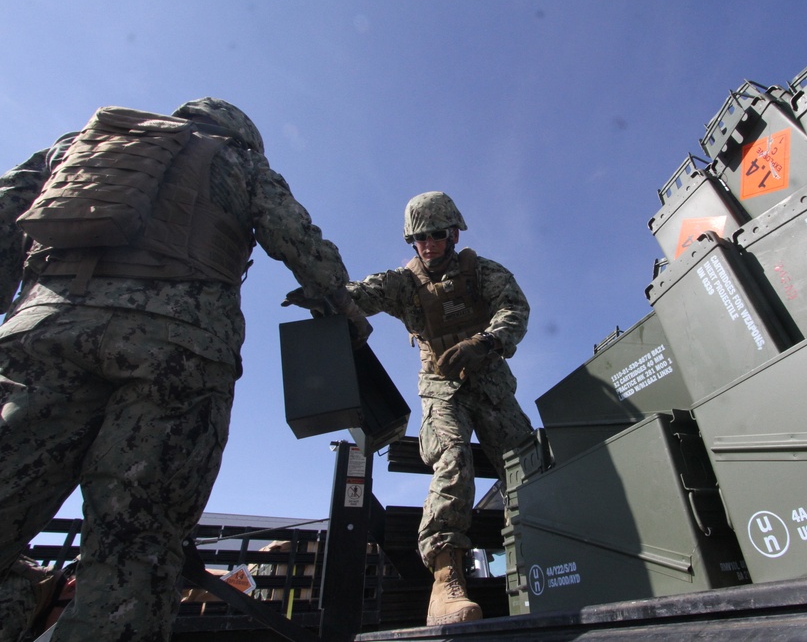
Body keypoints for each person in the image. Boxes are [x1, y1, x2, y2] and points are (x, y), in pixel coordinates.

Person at [0, 98, 370, 642]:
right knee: (137, 541)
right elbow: (299, 240)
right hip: (175, 351)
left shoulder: (84, 142)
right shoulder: (238, 160)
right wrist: (341, 307)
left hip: (44, 332)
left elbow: (7, 207)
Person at [343, 191, 533, 625]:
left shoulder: (482, 272)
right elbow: (360, 294)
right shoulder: (405, 283)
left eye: (435, 235)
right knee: (452, 458)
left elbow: (514, 308)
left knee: (525, 463)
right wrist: (327, 295)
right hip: (441, 386)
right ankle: (446, 579)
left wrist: (484, 342)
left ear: (452, 234)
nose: (427, 244)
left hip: (489, 382)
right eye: (419, 238)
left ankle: (543, 552)